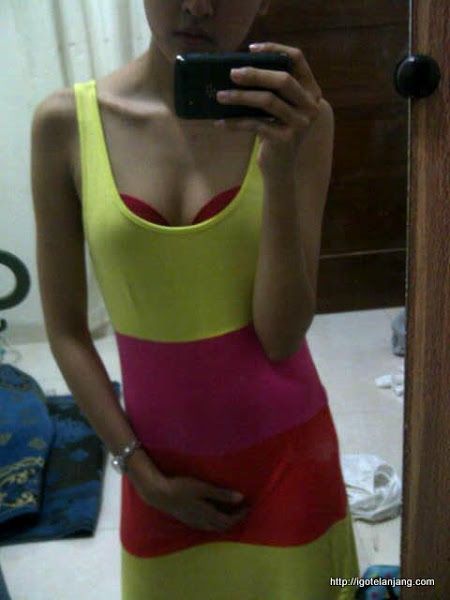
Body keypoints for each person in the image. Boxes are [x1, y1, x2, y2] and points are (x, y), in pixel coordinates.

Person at [31, 1, 360, 598]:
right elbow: (66, 331)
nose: (199, 5)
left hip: (289, 465)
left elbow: (281, 336)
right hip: (156, 475)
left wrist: (278, 167)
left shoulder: (301, 122)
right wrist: (140, 473)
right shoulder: (65, 125)